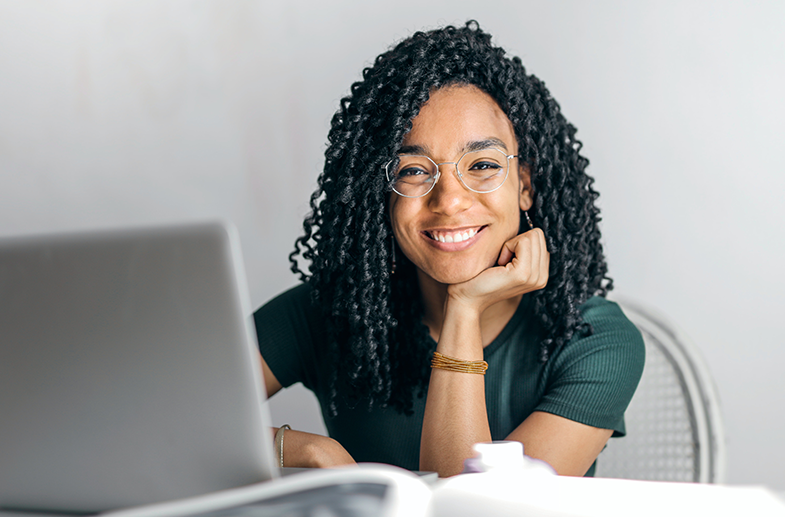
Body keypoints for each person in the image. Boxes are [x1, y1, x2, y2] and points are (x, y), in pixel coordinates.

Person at [254, 21, 645, 478]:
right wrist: (302, 449)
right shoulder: (330, 311)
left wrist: (464, 308)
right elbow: (160, 417)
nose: (450, 200)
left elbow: (473, 509)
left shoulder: (593, 339)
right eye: (414, 171)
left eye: (481, 165)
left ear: (525, 185)